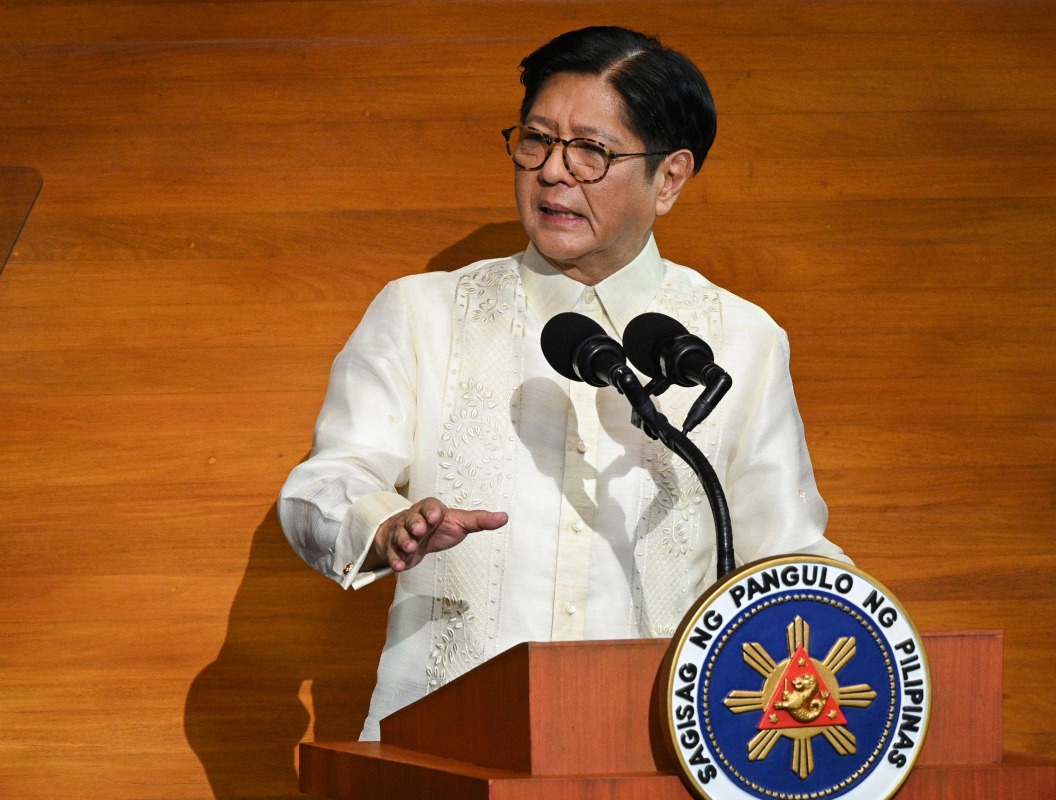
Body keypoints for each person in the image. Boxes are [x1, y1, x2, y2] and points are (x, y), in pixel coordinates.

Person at [279, 25, 848, 741]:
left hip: (653, 753)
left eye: (591, 151)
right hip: (443, 749)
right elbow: (319, 487)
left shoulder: (739, 341)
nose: (553, 171)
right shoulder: (424, 314)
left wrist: (873, 639)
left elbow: (784, 551)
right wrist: (381, 523)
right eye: (536, 141)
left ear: (668, 177)